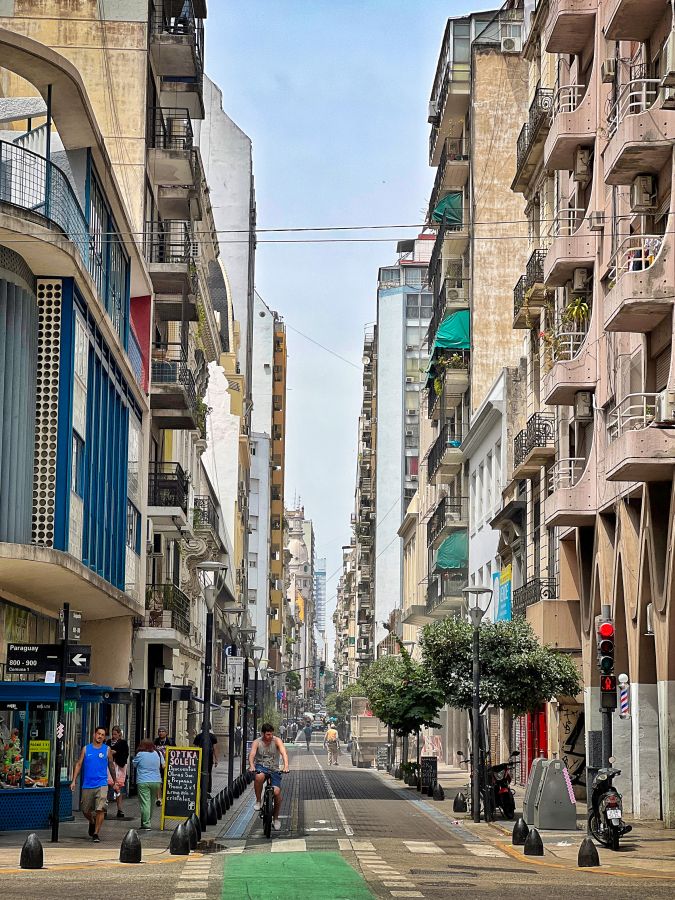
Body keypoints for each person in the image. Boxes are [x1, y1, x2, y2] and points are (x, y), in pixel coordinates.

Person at [70, 726, 119, 842]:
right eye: (98, 734)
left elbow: (111, 766)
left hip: (102, 783)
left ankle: (96, 833)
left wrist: (115, 781)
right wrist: (73, 780)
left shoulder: (107, 750)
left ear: (104, 737)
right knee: (85, 810)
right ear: (94, 734)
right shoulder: (86, 749)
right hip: (87, 784)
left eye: (103, 735)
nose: (100, 736)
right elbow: (79, 764)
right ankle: (92, 821)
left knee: (100, 809)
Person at [248, 723, 289, 832]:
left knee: (277, 793)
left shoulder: (277, 741)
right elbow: (252, 754)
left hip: (274, 769)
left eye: (271, 734)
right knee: (259, 777)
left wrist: (286, 766)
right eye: (267, 735)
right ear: (262, 734)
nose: (269, 737)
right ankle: (258, 801)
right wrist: (252, 766)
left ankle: (275, 818)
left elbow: (284, 753)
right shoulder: (257, 742)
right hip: (261, 766)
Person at [133, 739, 164, 829]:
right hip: (156, 781)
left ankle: (146, 824)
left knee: (145, 803)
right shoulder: (158, 753)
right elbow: (163, 764)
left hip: (143, 781)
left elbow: (134, 764)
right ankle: (146, 821)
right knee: (151, 803)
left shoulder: (140, 754)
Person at [107, 725, 129, 818]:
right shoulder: (108, 742)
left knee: (117, 787)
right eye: (112, 734)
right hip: (109, 766)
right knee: (107, 786)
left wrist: (116, 753)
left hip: (119, 766)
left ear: (119, 734)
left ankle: (120, 809)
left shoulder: (123, 743)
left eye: (115, 734)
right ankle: (104, 808)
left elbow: (125, 754)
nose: (113, 736)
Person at [194, 724, 219, 793]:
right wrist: (216, 759)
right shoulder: (212, 736)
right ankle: (208, 789)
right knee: (209, 773)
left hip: (200, 757)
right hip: (209, 757)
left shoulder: (198, 736)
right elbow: (215, 748)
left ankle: (199, 788)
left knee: (199, 773)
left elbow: (195, 748)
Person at [154, 726, 174, 806]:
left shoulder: (170, 741)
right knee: (158, 781)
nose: (161, 733)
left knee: (166, 781)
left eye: (163, 731)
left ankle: (166, 797)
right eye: (160, 731)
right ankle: (159, 798)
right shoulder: (155, 741)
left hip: (168, 764)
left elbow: (174, 752)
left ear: (166, 733)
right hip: (157, 764)